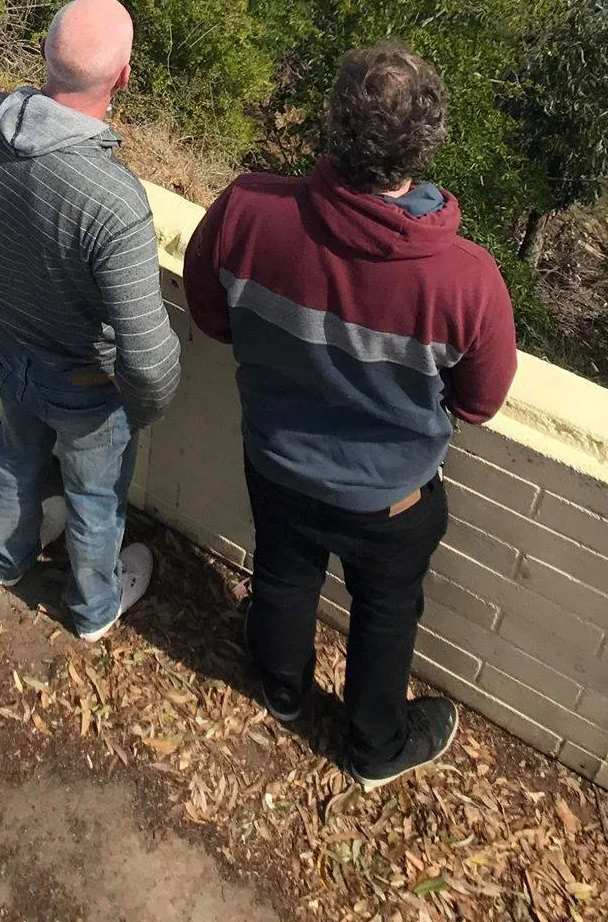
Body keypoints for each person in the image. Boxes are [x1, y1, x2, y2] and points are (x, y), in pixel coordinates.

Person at [183, 43, 517, 789]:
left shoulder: (248, 209)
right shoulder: (467, 280)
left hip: (278, 459)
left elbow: (211, 314)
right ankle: (373, 748)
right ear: (427, 144)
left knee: (283, 575)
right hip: (391, 496)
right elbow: (479, 401)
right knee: (385, 616)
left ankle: (282, 686)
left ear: (334, 126)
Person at [0, 0, 181, 641]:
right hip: (85, 389)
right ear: (124, 77)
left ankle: (8, 558)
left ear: (44, 54)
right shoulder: (113, 200)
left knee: (17, 455)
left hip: (10, 349)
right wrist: (140, 409)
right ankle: (92, 610)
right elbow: (152, 357)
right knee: (93, 500)